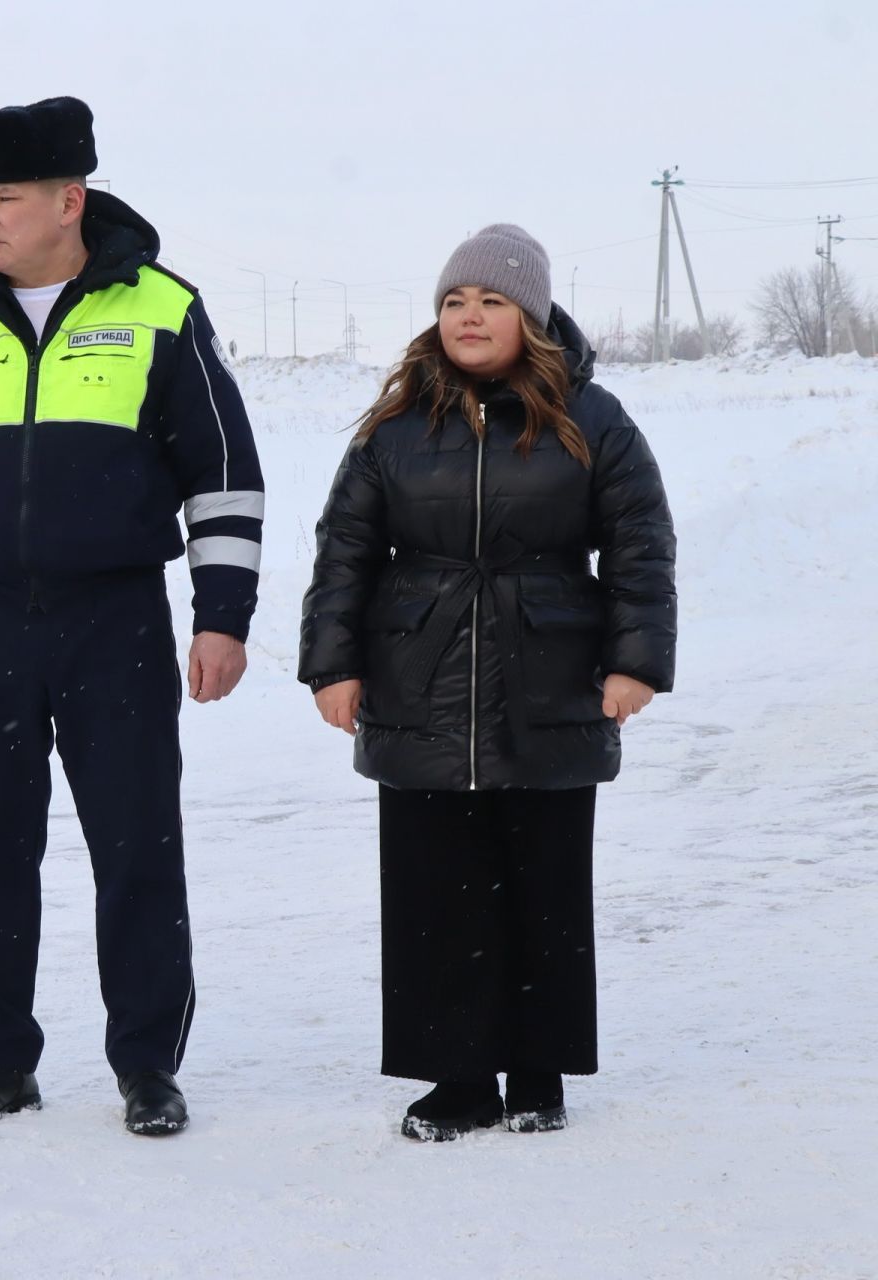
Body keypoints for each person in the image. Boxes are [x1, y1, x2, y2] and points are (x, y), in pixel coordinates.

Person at [0, 97, 265, 1136]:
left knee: (136, 843)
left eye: (6, 196)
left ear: (68, 200)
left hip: (113, 616)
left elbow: (221, 476)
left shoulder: (161, 309)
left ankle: (146, 1065)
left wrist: (222, 614)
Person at [297, 224, 676, 1141]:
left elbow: (640, 544)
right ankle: (459, 1078)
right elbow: (344, 548)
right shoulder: (396, 425)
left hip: (549, 672)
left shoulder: (595, 419)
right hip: (417, 672)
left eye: (491, 301)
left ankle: (539, 1074)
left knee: (543, 879)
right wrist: (333, 663)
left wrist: (635, 663)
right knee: (436, 888)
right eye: (455, 302)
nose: (470, 317)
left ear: (532, 317)